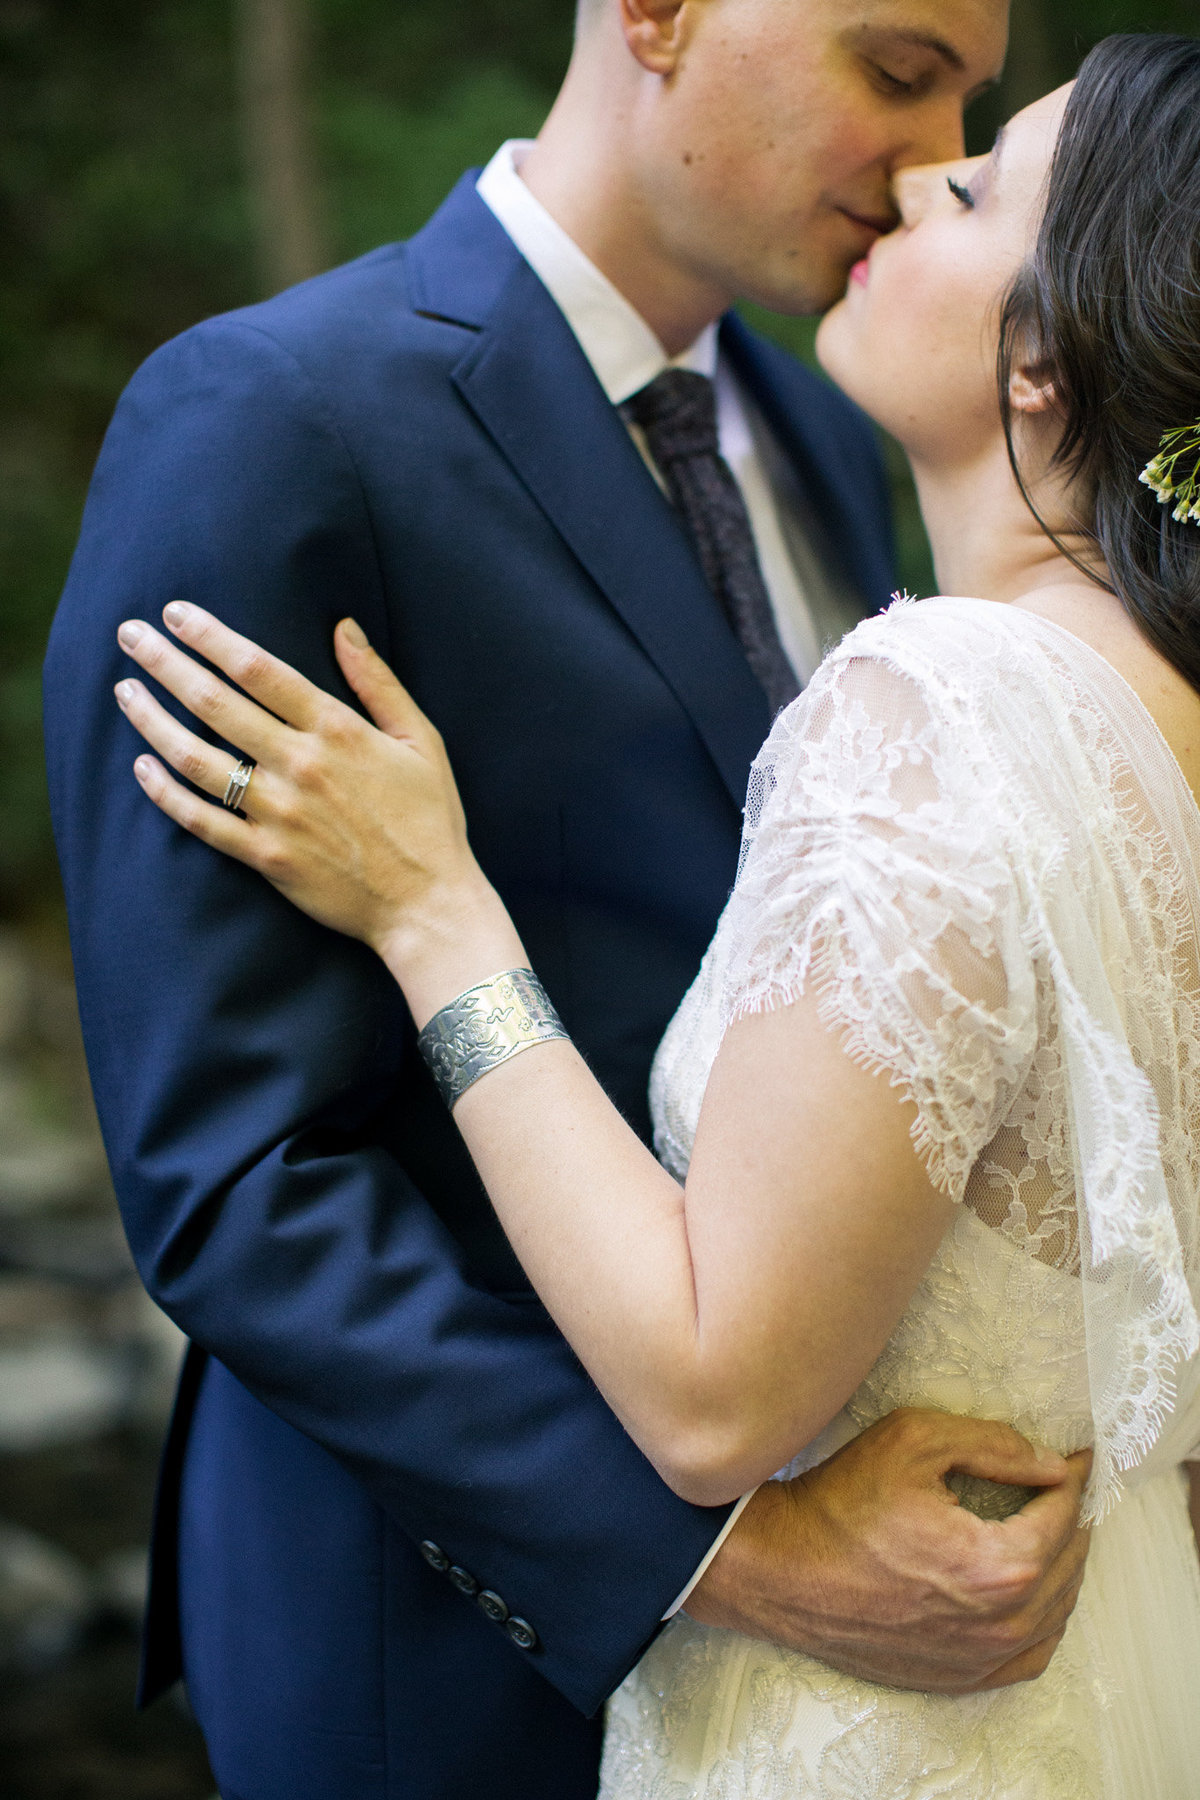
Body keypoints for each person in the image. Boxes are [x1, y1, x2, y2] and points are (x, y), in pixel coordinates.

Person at [105, 29, 1200, 1798]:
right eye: (897, 64)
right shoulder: (277, 420)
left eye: (972, 127)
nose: (929, 151)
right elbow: (234, 1175)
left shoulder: (848, 458)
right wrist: (739, 1561)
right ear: (666, 12)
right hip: (441, 1658)